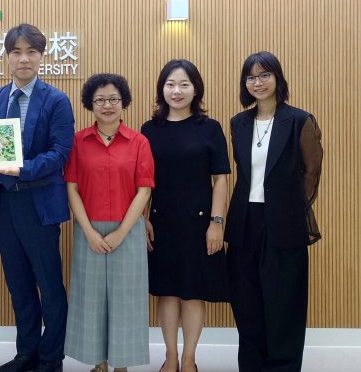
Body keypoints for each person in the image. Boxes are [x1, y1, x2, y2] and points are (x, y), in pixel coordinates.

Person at [0, 24, 75, 372]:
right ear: (7, 57)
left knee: (49, 285)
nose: (24, 59)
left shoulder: (56, 100)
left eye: (31, 52)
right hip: (5, 204)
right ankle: (26, 353)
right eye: (17, 52)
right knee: (18, 283)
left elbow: (60, 154)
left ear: (41, 56)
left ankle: (51, 357)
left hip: (39, 203)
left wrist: (19, 169)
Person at [226, 51, 323, 372]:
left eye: (264, 75)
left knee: (285, 303)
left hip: (284, 224)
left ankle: (282, 366)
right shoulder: (239, 123)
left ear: (278, 78)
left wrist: (290, 210)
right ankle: (252, 365)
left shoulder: (299, 121)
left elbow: (311, 173)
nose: (258, 82)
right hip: (245, 223)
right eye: (251, 77)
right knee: (247, 302)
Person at [140, 60, 230, 372]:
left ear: (196, 89)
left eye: (184, 84)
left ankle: (189, 358)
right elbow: (142, 181)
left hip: (199, 222)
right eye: (170, 84)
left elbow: (221, 178)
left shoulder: (210, 128)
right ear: (161, 89)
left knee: (193, 293)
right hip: (161, 221)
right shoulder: (149, 130)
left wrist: (216, 224)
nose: (176, 91)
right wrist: (143, 217)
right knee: (167, 291)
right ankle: (170, 356)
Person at [63, 73, 153, 372]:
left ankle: (122, 364)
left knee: (126, 299)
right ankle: (99, 361)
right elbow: (72, 187)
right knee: (92, 299)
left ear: (123, 101)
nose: (107, 105)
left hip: (128, 230)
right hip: (88, 230)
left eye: (113, 99)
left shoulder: (139, 141)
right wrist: (88, 231)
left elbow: (144, 189)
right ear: (90, 103)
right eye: (100, 100)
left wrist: (123, 232)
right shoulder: (78, 141)